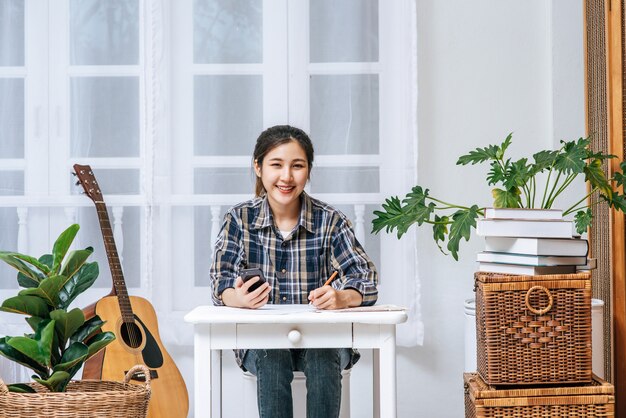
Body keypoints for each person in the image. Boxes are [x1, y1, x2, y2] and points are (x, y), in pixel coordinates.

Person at [209, 125, 378, 418]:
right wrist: (239, 298)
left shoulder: (331, 222)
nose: (286, 177)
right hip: (261, 343)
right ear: (258, 167)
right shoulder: (239, 219)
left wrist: (342, 298)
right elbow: (220, 283)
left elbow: (365, 279)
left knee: (322, 352)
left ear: (308, 171)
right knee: (272, 352)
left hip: (324, 342)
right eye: (276, 165)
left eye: (297, 166)